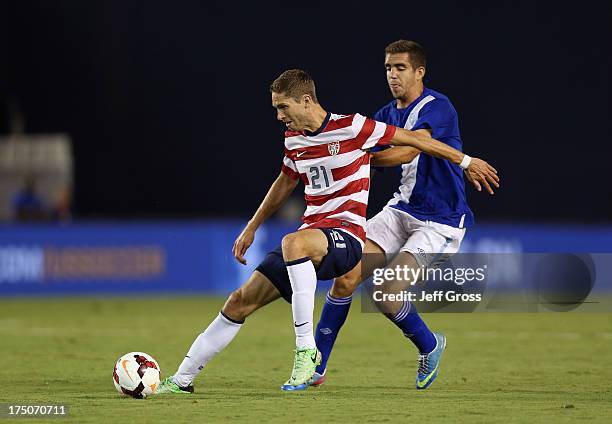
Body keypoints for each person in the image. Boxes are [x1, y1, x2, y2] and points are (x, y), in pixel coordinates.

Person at [156, 69, 498, 394]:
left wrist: (466, 162)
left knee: (298, 245)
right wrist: (251, 226)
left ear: (305, 100)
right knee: (240, 300)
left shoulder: (353, 128)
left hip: (346, 236)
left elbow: (414, 142)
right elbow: (284, 183)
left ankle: (307, 353)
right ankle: (182, 379)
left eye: (282, 107)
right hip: (314, 237)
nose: (278, 116)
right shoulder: (294, 141)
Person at [311, 40, 492, 390]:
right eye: (388, 68)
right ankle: (315, 367)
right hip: (400, 210)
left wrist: (356, 157)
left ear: (419, 71)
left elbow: (407, 152)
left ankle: (430, 345)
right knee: (346, 276)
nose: (393, 75)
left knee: (387, 291)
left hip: (440, 221)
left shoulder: (439, 107)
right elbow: (369, 168)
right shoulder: (384, 114)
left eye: (401, 68)